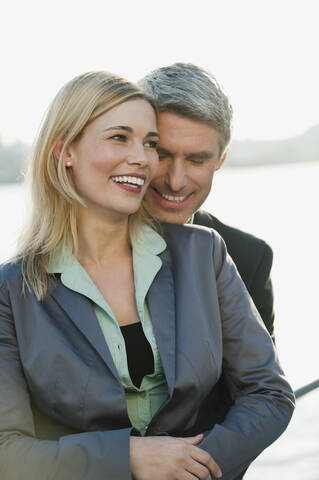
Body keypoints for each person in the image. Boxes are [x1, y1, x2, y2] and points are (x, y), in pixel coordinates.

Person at [0, 71, 294, 480]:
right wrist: (129, 458)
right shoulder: (12, 289)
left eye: (148, 143)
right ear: (65, 151)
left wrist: (193, 468)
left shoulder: (206, 251)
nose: (143, 159)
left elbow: (266, 392)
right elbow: (6, 449)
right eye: (121, 137)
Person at [139, 62, 276, 478]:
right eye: (162, 153)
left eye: (197, 159)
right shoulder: (74, 249)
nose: (176, 180)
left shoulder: (248, 257)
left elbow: (251, 400)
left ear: (221, 159)